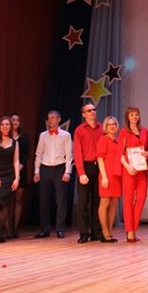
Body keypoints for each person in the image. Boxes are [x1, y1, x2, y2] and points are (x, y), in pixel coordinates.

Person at [33, 110, 72, 239]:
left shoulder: (66, 135)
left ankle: (60, 228)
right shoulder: (43, 135)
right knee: (44, 200)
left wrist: (67, 171)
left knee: (60, 200)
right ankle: (45, 228)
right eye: (49, 118)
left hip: (59, 168)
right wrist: (37, 171)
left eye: (53, 117)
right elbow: (39, 154)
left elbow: (69, 155)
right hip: (45, 168)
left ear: (59, 119)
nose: (50, 120)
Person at [73, 103, 103, 243]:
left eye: (93, 109)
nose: (92, 112)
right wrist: (81, 172)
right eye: (89, 110)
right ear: (83, 114)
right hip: (86, 166)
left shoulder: (102, 128)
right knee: (83, 202)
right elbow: (77, 152)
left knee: (98, 201)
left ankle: (96, 232)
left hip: (100, 166)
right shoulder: (79, 130)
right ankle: (84, 233)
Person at [118, 106, 148, 243]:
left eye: (136, 114)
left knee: (142, 198)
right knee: (129, 200)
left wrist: (146, 153)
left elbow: (147, 150)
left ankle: (133, 227)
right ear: (127, 117)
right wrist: (128, 167)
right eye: (132, 115)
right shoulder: (124, 132)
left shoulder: (144, 131)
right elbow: (120, 154)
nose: (134, 117)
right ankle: (130, 231)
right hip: (129, 170)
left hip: (142, 169)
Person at [96, 116, 121, 242]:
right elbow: (100, 158)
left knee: (114, 203)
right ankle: (104, 232)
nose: (112, 126)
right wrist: (104, 177)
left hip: (117, 175)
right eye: (109, 124)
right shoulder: (103, 139)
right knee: (105, 202)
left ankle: (110, 231)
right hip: (106, 174)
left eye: (114, 124)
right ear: (105, 126)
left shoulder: (118, 141)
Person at [9, 114, 30, 239]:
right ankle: (7, 228)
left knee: (18, 200)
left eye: (17, 120)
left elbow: (26, 154)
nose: (15, 122)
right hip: (7, 171)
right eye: (13, 120)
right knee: (8, 201)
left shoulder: (24, 136)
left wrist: (20, 166)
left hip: (21, 170)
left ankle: (15, 228)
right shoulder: (5, 136)